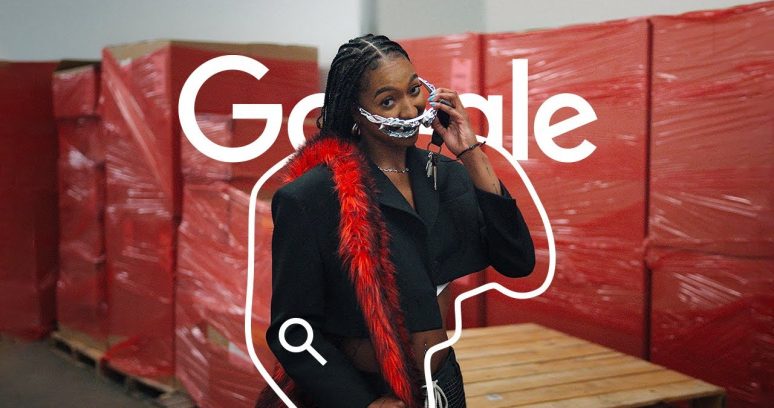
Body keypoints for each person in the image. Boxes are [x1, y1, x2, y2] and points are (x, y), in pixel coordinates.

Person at [255, 34, 535, 408]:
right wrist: (361, 402)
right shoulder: (313, 197)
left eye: (414, 90)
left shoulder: (444, 176)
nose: (408, 109)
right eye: (387, 101)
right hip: (368, 392)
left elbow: (517, 260)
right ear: (355, 112)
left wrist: (470, 152)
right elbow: (293, 332)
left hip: (444, 386)